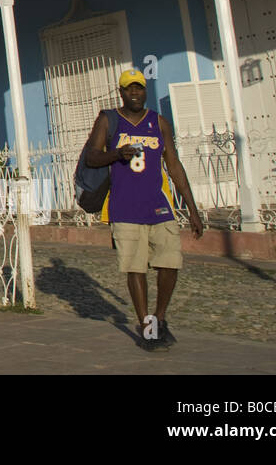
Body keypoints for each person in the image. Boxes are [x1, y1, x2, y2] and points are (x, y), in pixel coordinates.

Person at [84, 68, 203, 351]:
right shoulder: (109, 120)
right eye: (129, 88)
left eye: (139, 88)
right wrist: (116, 154)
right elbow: (92, 156)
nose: (135, 93)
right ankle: (146, 325)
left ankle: (159, 318)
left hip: (159, 206)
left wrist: (193, 209)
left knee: (170, 262)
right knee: (135, 268)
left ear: (145, 91)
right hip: (124, 207)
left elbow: (173, 165)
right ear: (121, 92)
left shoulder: (158, 123)